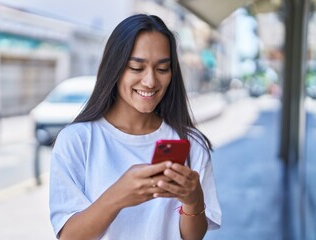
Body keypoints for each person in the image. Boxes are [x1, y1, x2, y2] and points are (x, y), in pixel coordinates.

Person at [49, 14, 221, 240]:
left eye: (162, 69)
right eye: (136, 67)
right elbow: (69, 237)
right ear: (115, 68)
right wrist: (118, 195)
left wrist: (193, 199)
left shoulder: (191, 143)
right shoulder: (77, 140)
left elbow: (192, 237)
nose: (150, 81)